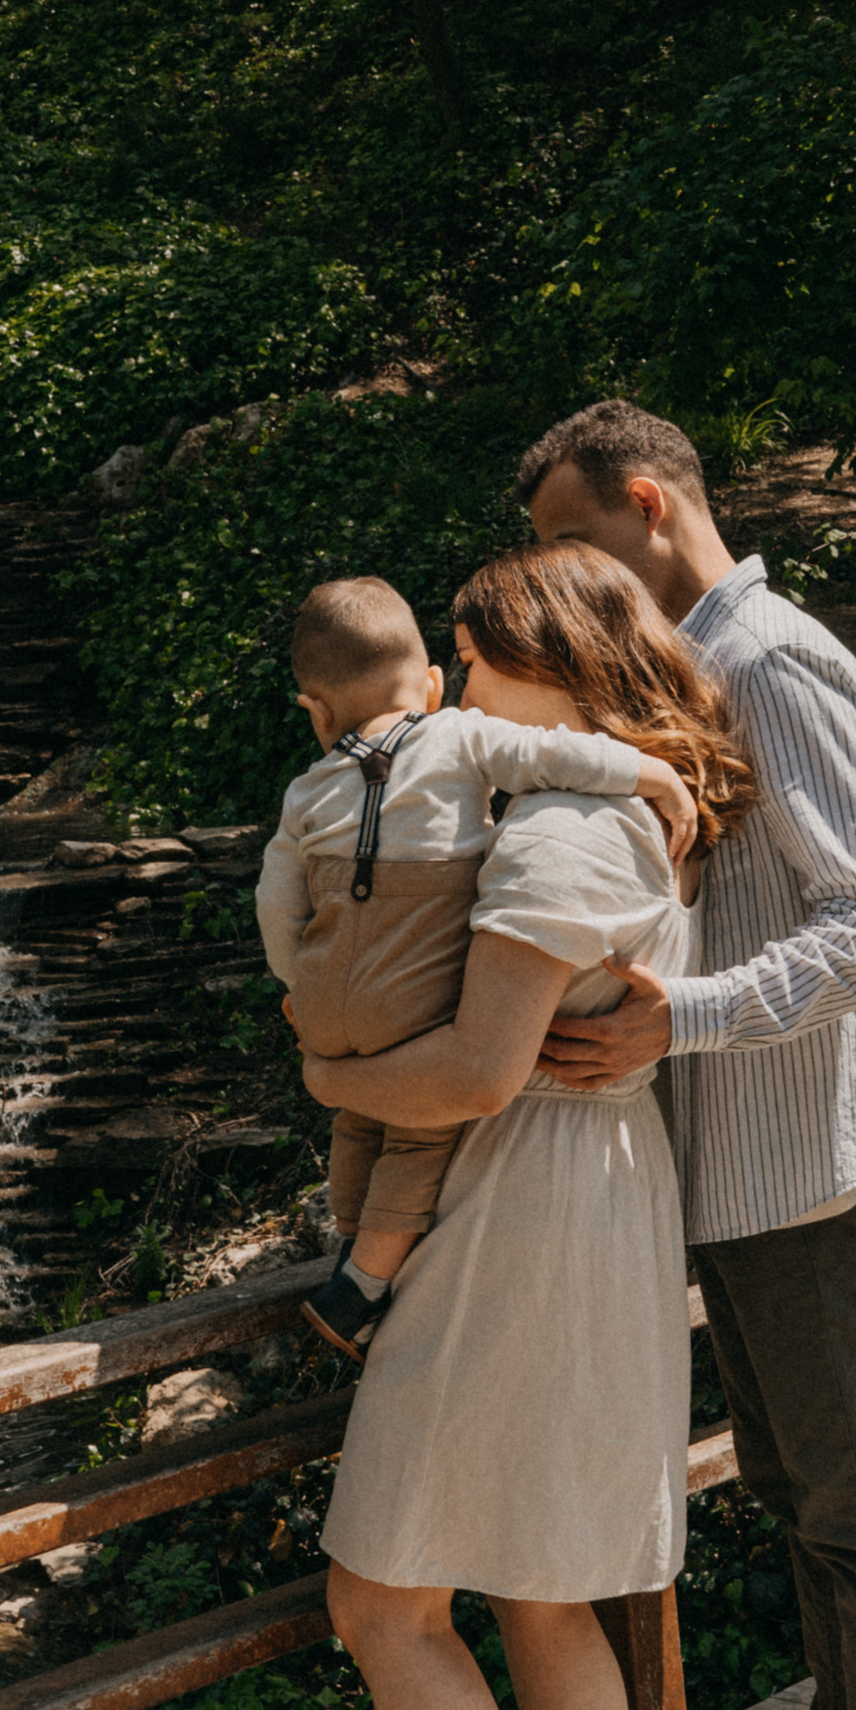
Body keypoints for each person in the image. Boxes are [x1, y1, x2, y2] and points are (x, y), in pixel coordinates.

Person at [299, 541, 757, 1710]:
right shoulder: (619, 797)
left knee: (387, 1599)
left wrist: (331, 1078)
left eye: (477, 664)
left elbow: (479, 1074)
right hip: (597, 1193)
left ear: (549, 671)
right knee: (549, 1590)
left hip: (521, 1205)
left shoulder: (564, 820)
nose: (453, 691)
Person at [521, 398, 856, 1710]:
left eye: (574, 543)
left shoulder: (773, 660)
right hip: (743, 1163)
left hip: (805, 1155)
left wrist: (673, 1020)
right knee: (801, 1493)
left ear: (646, 504)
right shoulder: (701, 670)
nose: (569, 582)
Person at [256, 576, 699, 1361]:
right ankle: (364, 1281)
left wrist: (299, 986)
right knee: (418, 1133)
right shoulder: (455, 737)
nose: (460, 687)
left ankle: (350, 1237)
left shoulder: (304, 789)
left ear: (316, 713)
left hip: (329, 996)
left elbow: (276, 898)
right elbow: (550, 754)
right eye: (452, 668)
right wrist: (649, 772)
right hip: (413, 991)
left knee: (358, 1118)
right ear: (429, 686)